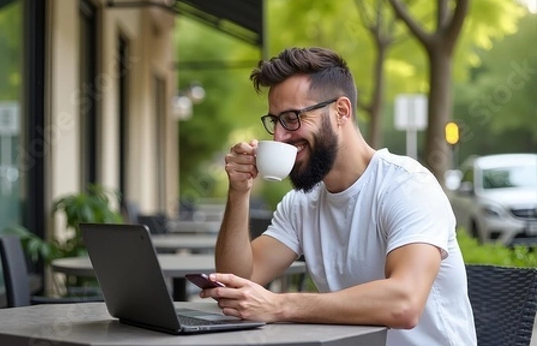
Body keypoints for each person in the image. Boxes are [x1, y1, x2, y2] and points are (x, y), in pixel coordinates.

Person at [201, 47, 477, 345]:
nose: (279, 136)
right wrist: (239, 192)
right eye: (275, 121)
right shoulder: (301, 204)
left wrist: (278, 305)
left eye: (292, 118)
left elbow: (404, 303)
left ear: (341, 111)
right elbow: (237, 279)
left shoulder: (407, 186)